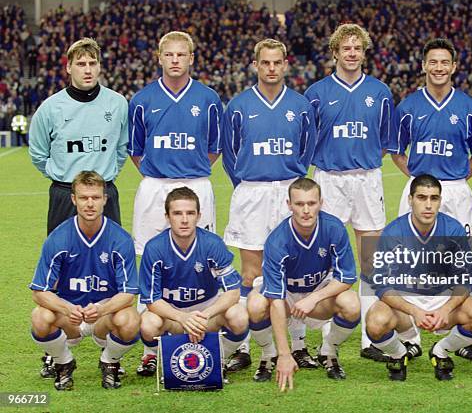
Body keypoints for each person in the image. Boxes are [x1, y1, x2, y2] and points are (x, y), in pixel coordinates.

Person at [387, 38, 472, 361]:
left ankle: (460, 335)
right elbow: (395, 150)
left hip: (456, 190)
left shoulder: (470, 108)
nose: (439, 68)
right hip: (419, 189)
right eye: (433, 62)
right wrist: (416, 179)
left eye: (445, 62)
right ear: (423, 66)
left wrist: (458, 176)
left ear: (454, 67)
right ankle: (412, 331)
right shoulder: (408, 107)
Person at [221, 39, 316, 371]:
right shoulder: (238, 106)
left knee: (295, 269)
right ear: (255, 65)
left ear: (286, 64)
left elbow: (307, 151)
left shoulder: (301, 105)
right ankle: (251, 347)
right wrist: (250, 184)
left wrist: (288, 184)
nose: (271, 68)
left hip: (289, 190)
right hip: (252, 191)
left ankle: (299, 345)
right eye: (265, 63)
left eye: (277, 62)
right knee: (252, 272)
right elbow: (230, 157)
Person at [304, 23, 393, 362]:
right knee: (326, 258)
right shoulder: (316, 93)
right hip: (329, 179)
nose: (352, 53)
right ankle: (329, 334)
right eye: (346, 48)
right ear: (335, 53)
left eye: (357, 48)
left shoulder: (380, 91)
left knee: (371, 258)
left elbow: (385, 142)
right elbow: (307, 140)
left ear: (364, 52)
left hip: (367, 178)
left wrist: (361, 160)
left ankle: (371, 339)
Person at [365, 174, 472, 381]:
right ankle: (398, 354)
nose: (428, 205)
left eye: (434, 198)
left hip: (442, 295)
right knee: (375, 323)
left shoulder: (453, 229)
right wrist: (415, 311)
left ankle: (440, 351)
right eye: (422, 198)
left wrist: (445, 309)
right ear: (410, 199)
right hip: (406, 300)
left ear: (440, 200)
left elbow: (465, 279)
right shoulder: (393, 232)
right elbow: (382, 285)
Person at [29, 171, 140, 390]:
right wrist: (67, 308)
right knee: (40, 317)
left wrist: (102, 310)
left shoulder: (121, 239)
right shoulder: (58, 238)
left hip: (103, 316)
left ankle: (110, 361)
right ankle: (63, 362)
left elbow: (129, 293)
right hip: (69, 314)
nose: (90, 204)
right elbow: (39, 291)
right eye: (83, 197)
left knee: (131, 320)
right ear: (73, 199)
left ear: (105, 199)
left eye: (96, 198)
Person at [247, 178, 360, 389]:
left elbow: (346, 277)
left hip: (318, 292)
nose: (306, 210)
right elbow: (276, 299)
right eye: (299, 204)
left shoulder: (334, 228)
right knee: (254, 305)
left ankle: (329, 350)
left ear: (321, 203)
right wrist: (284, 354)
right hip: (286, 294)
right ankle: (269, 354)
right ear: (289, 205)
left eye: (311, 203)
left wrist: (314, 298)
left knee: (351, 304)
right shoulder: (277, 240)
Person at [128, 31, 223, 256]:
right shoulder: (141, 100)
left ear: (191, 58)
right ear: (159, 57)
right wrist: (157, 172)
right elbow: (135, 150)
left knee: (202, 253)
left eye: (181, 55)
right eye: (168, 54)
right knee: (150, 253)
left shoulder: (209, 99)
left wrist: (189, 168)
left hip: (196, 184)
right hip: (154, 186)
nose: (174, 60)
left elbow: (215, 147)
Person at [137, 187, 249, 378]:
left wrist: (203, 317)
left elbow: (233, 292)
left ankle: (218, 358)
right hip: (172, 313)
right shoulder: (154, 248)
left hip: (206, 311)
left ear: (199, 216)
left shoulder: (212, 244)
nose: (184, 219)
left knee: (239, 316)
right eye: (177, 213)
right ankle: (158, 355)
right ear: (167, 216)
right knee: (148, 324)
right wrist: (182, 318)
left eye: (190, 213)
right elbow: (151, 300)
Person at [29, 38, 128, 235]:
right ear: (69, 67)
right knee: (64, 258)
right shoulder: (50, 108)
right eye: (81, 64)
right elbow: (38, 153)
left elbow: (122, 148)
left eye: (93, 63)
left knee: (108, 257)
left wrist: (108, 175)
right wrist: (61, 176)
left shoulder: (118, 103)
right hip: (65, 195)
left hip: (104, 192)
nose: (88, 70)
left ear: (100, 66)